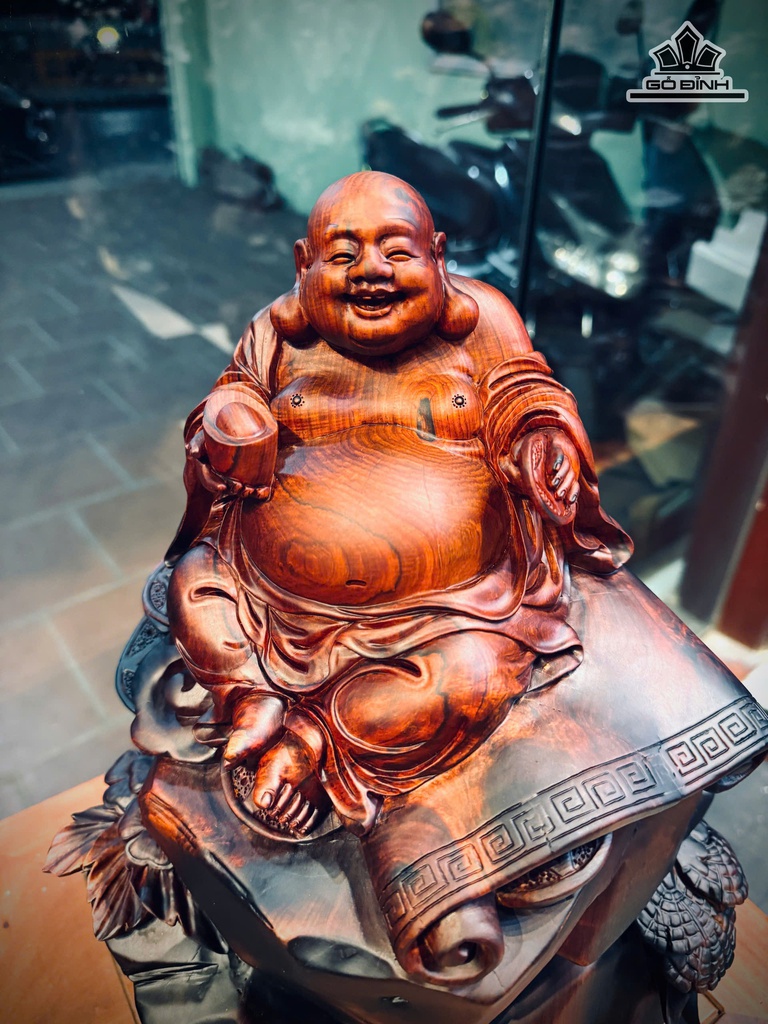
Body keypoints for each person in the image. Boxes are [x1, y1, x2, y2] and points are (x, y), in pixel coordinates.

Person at [166, 171, 630, 838]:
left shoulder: (483, 320)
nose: (371, 271)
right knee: (195, 584)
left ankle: (311, 741)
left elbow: (527, 394)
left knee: (474, 677)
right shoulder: (277, 331)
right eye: (343, 254)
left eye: (397, 251)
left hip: (454, 607)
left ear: (438, 255)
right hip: (274, 595)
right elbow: (233, 391)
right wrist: (230, 421)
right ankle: (250, 695)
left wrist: (543, 443)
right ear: (303, 263)